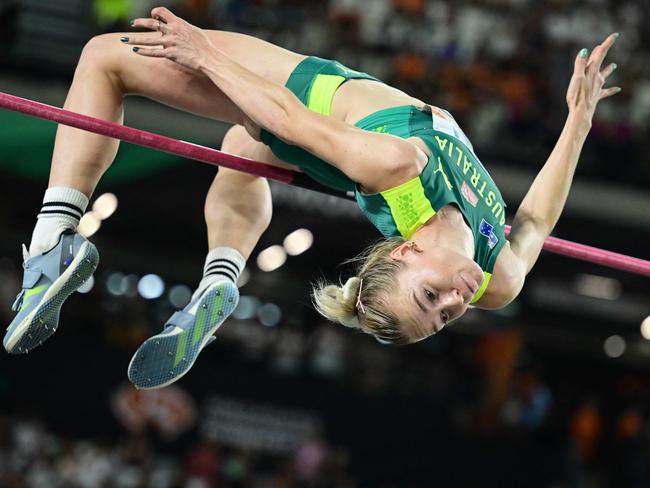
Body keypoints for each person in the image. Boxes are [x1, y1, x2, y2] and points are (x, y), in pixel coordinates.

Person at [3, 7, 620, 389]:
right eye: (446, 314)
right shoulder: (497, 279)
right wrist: (578, 120)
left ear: (405, 251)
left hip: (308, 105)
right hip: (333, 149)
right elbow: (535, 221)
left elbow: (289, 119)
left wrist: (206, 56)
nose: (455, 301)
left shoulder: (399, 165)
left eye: (430, 298)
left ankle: (53, 240)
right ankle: (220, 279)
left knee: (104, 59)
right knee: (242, 157)